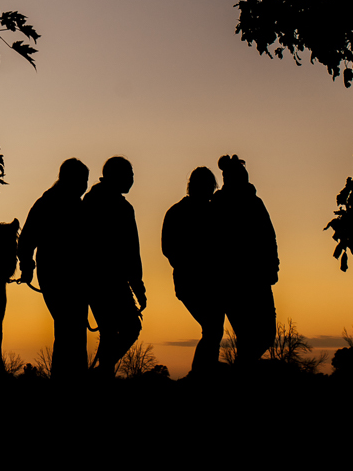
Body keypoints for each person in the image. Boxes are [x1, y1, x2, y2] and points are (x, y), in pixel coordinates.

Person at [18, 157, 90, 379]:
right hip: (59, 277)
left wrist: (28, 267)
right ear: (69, 179)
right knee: (71, 330)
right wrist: (28, 266)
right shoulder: (51, 203)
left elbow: (26, 240)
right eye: (82, 180)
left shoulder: (54, 203)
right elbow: (27, 240)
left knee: (71, 330)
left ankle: (69, 377)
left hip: (65, 277)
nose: (84, 185)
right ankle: (69, 378)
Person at [82, 156, 146, 374]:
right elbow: (130, 252)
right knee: (129, 329)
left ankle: (102, 372)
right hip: (109, 282)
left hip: (92, 281)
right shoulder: (122, 208)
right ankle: (102, 373)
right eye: (129, 175)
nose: (132, 180)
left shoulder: (89, 201)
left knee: (111, 332)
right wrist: (138, 287)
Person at [211, 154, 278, 364]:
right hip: (232, 281)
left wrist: (272, 268)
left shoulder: (255, 203)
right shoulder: (219, 205)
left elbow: (269, 238)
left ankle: (242, 370)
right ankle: (242, 375)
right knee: (249, 336)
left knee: (265, 335)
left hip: (258, 279)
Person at [161, 166, 224, 377]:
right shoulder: (182, 212)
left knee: (213, 329)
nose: (209, 191)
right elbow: (168, 249)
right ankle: (200, 375)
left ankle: (203, 373)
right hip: (192, 282)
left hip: (201, 282)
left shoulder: (209, 211)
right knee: (213, 329)